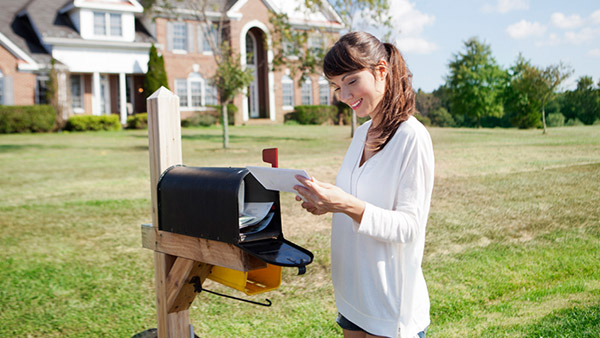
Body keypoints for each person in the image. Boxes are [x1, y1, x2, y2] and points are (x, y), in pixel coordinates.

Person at [293, 32, 434, 338]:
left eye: (351, 81)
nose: (343, 95)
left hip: (389, 302)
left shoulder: (412, 137)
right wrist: (326, 204)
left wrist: (344, 203)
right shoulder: (361, 134)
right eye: (336, 86)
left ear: (381, 70)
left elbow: (409, 227)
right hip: (353, 295)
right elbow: (360, 202)